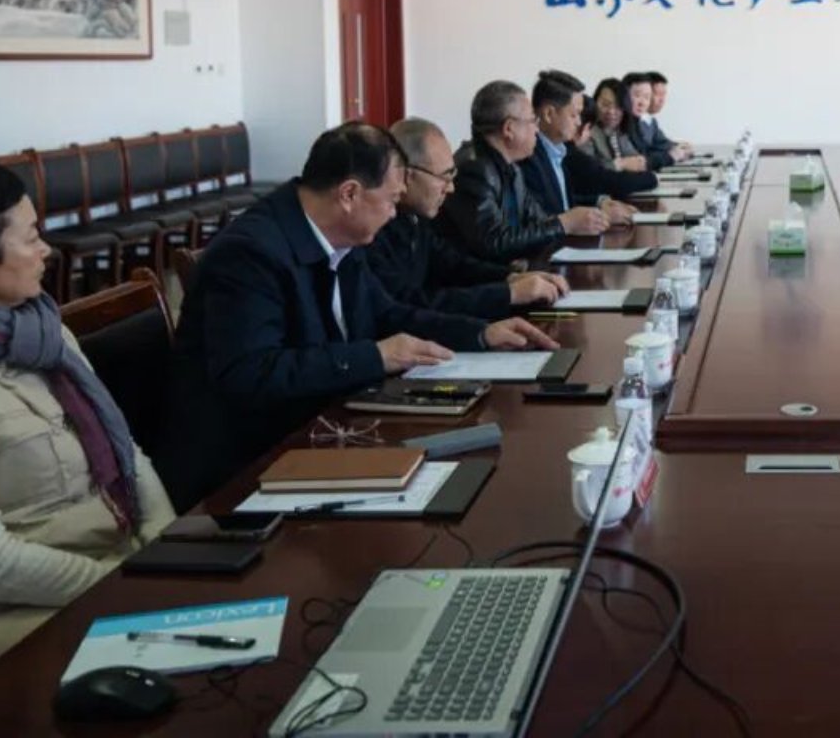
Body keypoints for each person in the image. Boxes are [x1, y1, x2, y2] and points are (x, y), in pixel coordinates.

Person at [159, 123, 552, 510]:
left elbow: (388, 314)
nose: (394, 213)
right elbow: (250, 373)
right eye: (391, 201)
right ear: (349, 194)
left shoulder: (341, 234)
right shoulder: (251, 254)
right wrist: (374, 356)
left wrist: (481, 334)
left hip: (326, 428)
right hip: (251, 465)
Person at [0, 154, 175, 691]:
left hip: (111, 568)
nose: (47, 250)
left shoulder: (42, 331)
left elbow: (127, 453)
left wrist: (165, 546)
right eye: (31, 237)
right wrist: (117, 588)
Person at [368, 117, 570, 316]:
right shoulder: (372, 230)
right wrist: (508, 294)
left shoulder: (415, 218)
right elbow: (407, 303)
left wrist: (512, 278)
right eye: (444, 177)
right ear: (407, 175)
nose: (450, 188)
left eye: (452, 176)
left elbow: (453, 265)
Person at [441, 80, 612, 265]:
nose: (536, 130)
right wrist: (564, 223)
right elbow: (494, 242)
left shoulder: (512, 167)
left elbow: (538, 221)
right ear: (509, 129)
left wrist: (580, 220)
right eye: (532, 121)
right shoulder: (473, 168)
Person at [522, 71, 653, 220]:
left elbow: (565, 202)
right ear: (548, 114)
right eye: (574, 115)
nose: (579, 122)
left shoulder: (558, 150)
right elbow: (542, 218)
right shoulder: (529, 157)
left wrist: (600, 203)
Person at [579, 77, 647, 172]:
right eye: (605, 104)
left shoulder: (620, 131)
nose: (611, 111)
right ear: (595, 102)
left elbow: (636, 161)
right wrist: (620, 164)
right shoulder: (586, 132)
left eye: (618, 106)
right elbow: (588, 169)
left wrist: (639, 162)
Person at [623, 72, 690, 168]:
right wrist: (671, 156)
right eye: (637, 96)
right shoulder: (623, 124)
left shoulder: (646, 121)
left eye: (646, 97)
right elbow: (641, 157)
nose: (642, 102)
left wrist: (680, 147)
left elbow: (661, 144)